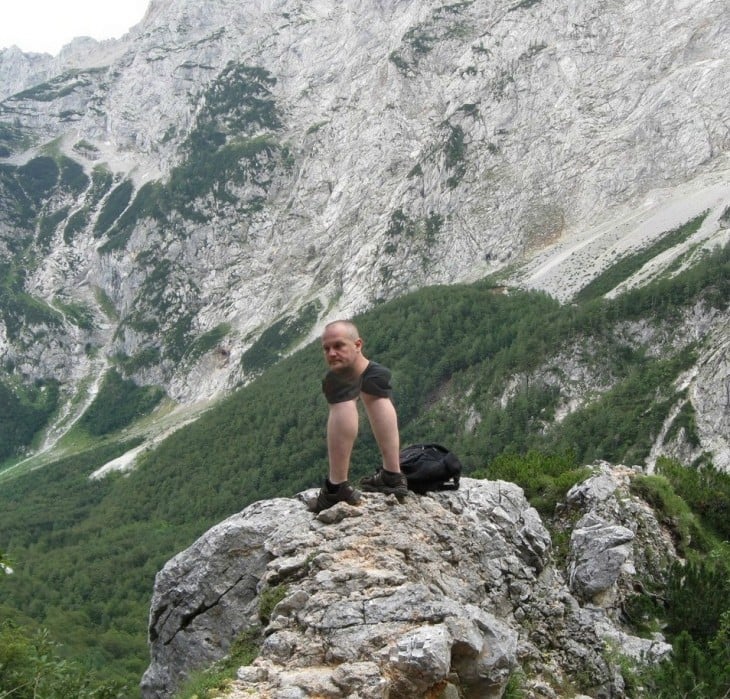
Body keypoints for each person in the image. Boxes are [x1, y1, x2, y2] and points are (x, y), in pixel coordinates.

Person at [310, 319, 408, 512]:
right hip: (370, 370)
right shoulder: (375, 374)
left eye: (338, 345)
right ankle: (392, 475)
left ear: (358, 345)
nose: (331, 353)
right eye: (326, 348)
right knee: (377, 394)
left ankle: (336, 487)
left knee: (341, 398)